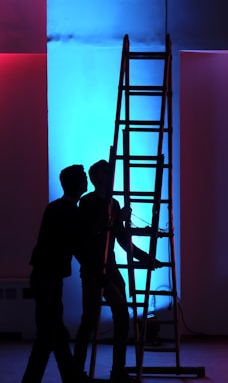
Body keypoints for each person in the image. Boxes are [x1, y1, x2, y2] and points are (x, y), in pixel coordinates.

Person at [74, 159, 162, 383]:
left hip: (110, 266)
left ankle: (118, 370)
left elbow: (122, 239)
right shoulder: (87, 203)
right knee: (89, 321)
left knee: (122, 317)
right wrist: (114, 221)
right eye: (105, 173)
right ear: (96, 178)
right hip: (93, 268)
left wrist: (146, 257)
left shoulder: (113, 203)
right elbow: (87, 236)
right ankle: (76, 373)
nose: (109, 176)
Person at [22, 165, 88, 383]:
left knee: (53, 336)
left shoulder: (55, 208)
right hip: (49, 279)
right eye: (84, 178)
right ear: (80, 185)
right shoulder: (70, 212)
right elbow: (78, 245)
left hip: (44, 277)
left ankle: (70, 378)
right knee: (50, 337)